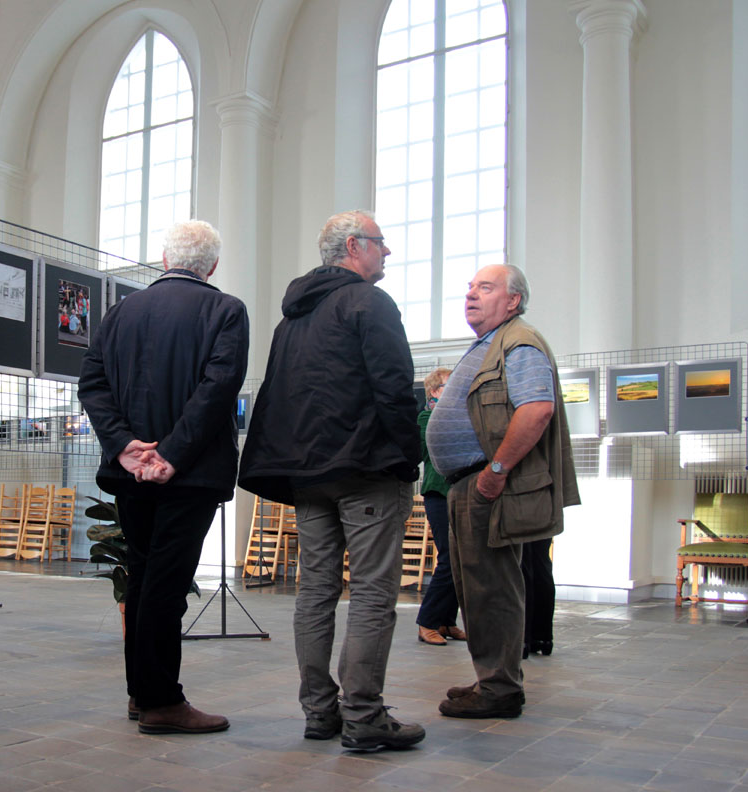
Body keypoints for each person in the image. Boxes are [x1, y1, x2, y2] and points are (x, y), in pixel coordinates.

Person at [238, 210, 424, 752]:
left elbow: (280, 395)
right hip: (365, 470)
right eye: (381, 242)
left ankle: (320, 711)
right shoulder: (370, 302)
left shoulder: (292, 319)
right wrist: (407, 456)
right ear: (354, 246)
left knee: (315, 591)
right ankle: (364, 717)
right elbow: (394, 387)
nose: (387, 252)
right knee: (372, 592)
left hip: (307, 474)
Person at [78, 219, 248, 735]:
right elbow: (218, 389)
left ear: (165, 259)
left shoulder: (120, 312)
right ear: (212, 266)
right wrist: (171, 455)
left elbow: (92, 382)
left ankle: (141, 693)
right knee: (167, 584)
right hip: (190, 475)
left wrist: (124, 446)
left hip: (132, 472)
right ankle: (160, 701)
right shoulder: (226, 310)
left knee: (144, 574)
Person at [425, 263, 578, 719]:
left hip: (488, 485)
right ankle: (492, 678)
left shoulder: (520, 342)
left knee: (493, 589)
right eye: (470, 287)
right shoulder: (493, 342)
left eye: (486, 288)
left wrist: (496, 470)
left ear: (513, 301)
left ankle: (500, 689)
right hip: (468, 483)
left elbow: (536, 410)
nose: (471, 294)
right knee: (478, 588)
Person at [415, 367, 467, 647]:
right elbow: (432, 450)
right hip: (438, 493)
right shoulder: (426, 417)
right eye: (449, 386)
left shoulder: (458, 415)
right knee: (448, 557)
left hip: (459, 492)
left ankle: (447, 620)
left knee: (460, 558)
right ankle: (428, 621)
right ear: (434, 391)